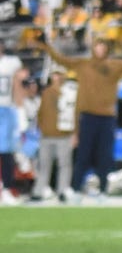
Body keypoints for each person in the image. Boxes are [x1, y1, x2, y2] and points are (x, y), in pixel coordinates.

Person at [41, 36, 122, 200]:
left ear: (107, 49)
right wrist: (47, 48)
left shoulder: (115, 66)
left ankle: (102, 189)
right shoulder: (83, 64)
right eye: (98, 47)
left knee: (105, 155)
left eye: (103, 47)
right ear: (94, 49)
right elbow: (61, 59)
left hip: (107, 117)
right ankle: (75, 188)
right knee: (83, 154)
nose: (100, 50)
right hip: (88, 116)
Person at [30, 69, 77, 203]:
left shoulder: (70, 93)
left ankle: (62, 190)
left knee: (64, 164)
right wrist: (42, 128)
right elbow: (41, 112)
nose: (55, 77)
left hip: (63, 134)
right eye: (54, 75)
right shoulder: (46, 92)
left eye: (58, 75)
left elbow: (75, 114)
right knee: (44, 164)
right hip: (47, 134)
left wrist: (74, 133)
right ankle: (39, 190)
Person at [0, 38, 27, 204]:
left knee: (6, 151)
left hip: (6, 108)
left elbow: (17, 86)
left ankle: (8, 188)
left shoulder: (11, 63)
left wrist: (20, 111)